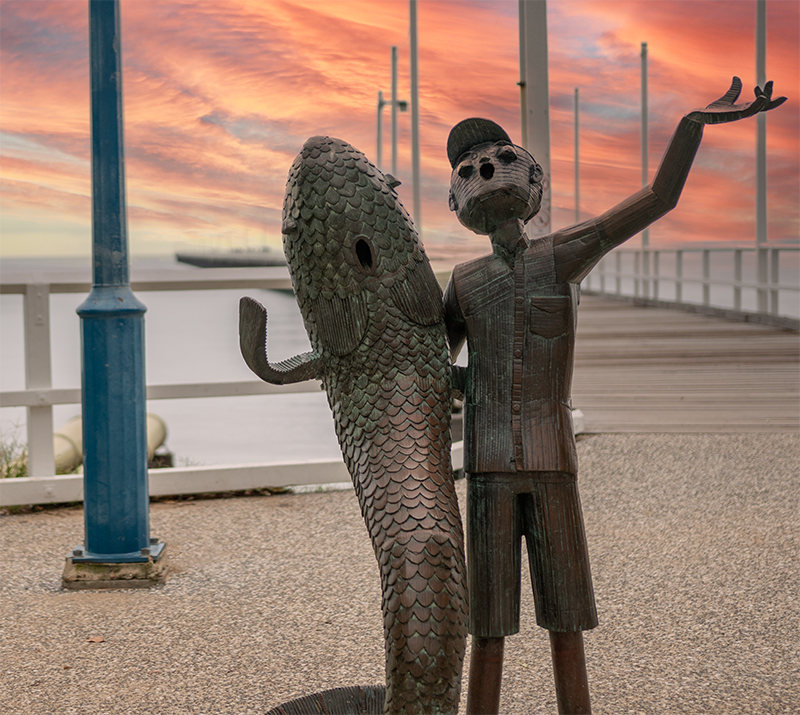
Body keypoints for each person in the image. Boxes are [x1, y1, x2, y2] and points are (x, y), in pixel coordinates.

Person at [442, 78, 784, 714]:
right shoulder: (463, 284)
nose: (485, 171)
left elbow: (657, 198)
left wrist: (691, 126)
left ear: (529, 180)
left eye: (496, 160)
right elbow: (433, 367)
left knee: (565, 620)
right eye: (470, 169)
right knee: (486, 629)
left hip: (552, 465)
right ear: (458, 195)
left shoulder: (561, 256)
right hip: (485, 469)